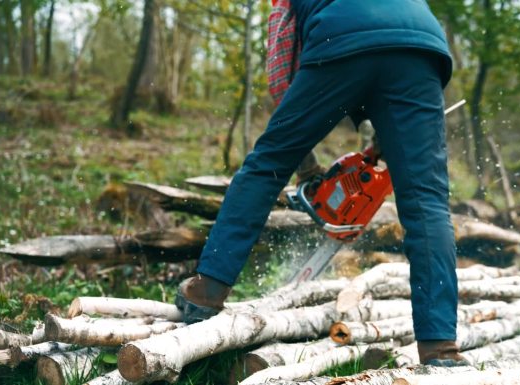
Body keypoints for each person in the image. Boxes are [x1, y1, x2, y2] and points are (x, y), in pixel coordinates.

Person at [175, 0, 466, 366]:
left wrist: (303, 164)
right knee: (428, 202)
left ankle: (207, 290)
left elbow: (282, 76)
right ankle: (441, 348)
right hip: (422, 44)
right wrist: (387, 136)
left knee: (266, 165)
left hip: (342, 34)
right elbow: (391, 41)